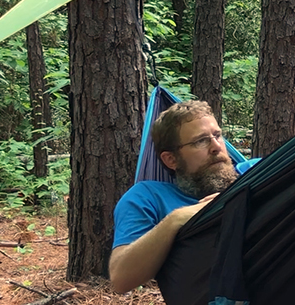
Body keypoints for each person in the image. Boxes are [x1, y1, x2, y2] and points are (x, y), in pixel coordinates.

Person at [109, 100, 258, 293]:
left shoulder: (254, 171)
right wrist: (176, 220)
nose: (216, 147)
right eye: (201, 141)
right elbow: (121, 278)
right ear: (171, 160)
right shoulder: (150, 197)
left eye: (218, 136)